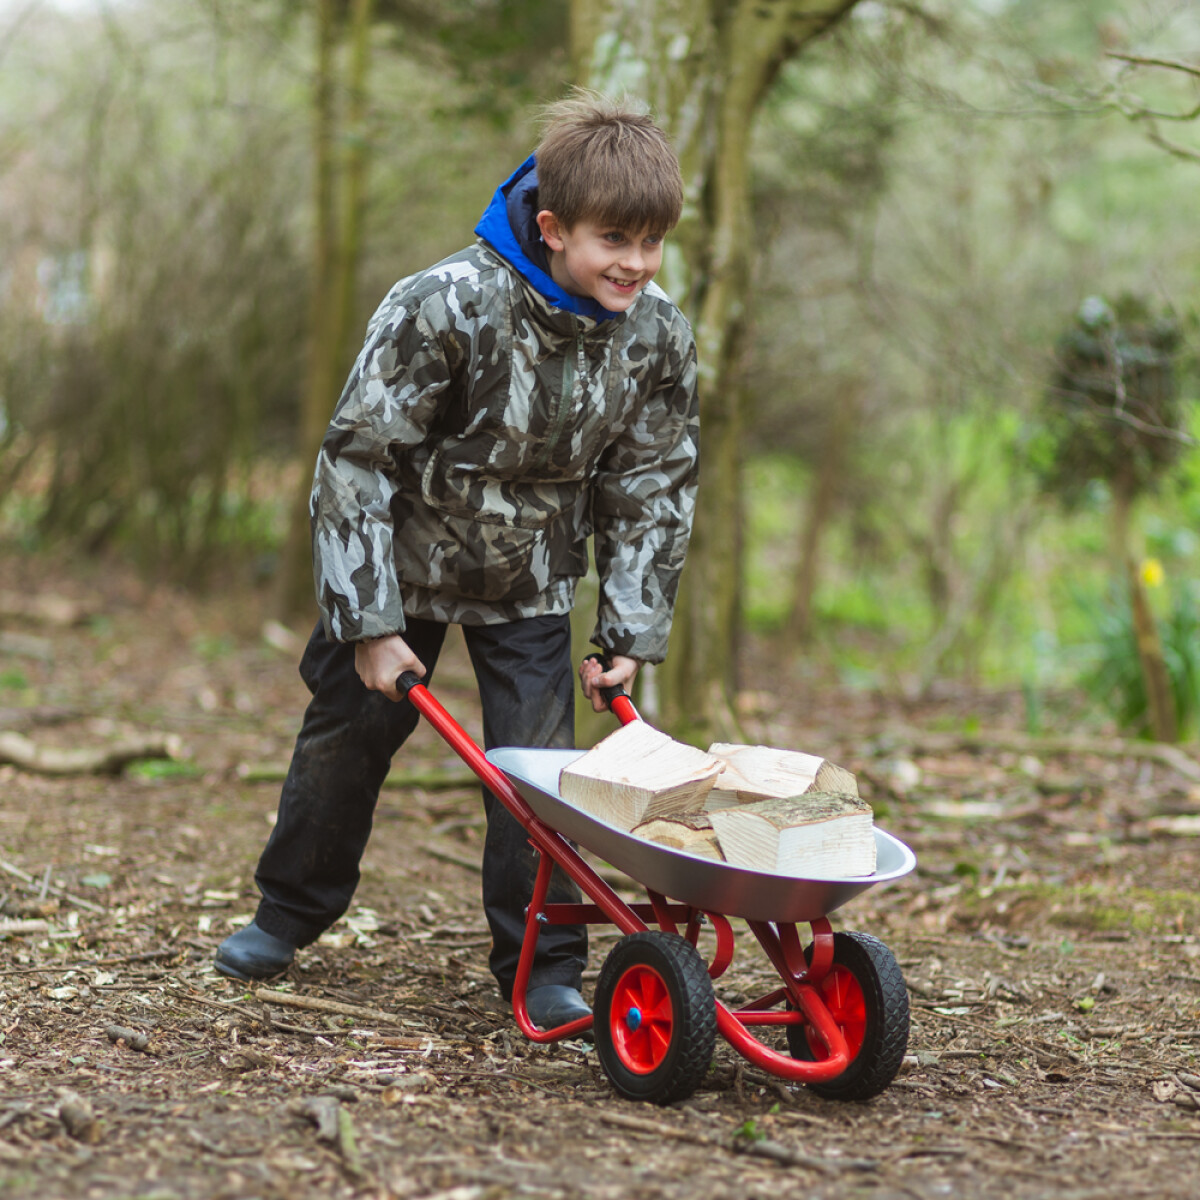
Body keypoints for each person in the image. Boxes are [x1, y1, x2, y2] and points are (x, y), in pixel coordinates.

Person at [215, 93, 699, 1032]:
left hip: (532, 579)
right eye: (614, 240)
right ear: (553, 229)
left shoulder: (656, 333)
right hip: (399, 570)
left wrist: (629, 631)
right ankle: (287, 915)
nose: (635, 264)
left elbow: (653, 482)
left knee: (541, 777)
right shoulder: (440, 304)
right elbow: (357, 461)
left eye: (652, 243)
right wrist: (371, 625)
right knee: (346, 741)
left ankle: (544, 962)